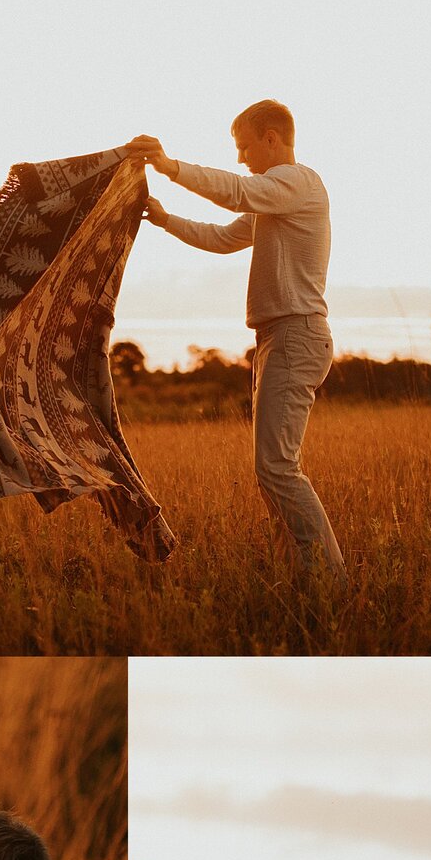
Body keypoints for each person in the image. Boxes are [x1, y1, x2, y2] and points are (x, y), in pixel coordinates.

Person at [127, 102, 346, 585]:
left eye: (245, 146)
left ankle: (329, 582)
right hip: (277, 337)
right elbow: (224, 237)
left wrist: (169, 167)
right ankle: (310, 575)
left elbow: (236, 191)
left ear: (272, 138)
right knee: (273, 470)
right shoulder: (275, 200)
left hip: (296, 334)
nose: (243, 158)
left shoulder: (298, 183)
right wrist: (166, 220)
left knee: (277, 469)